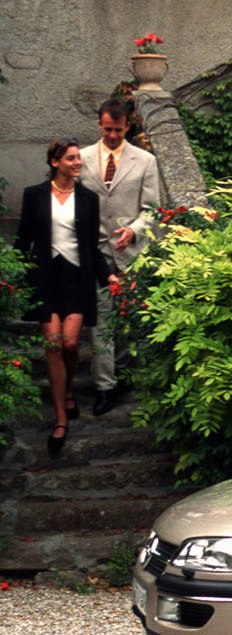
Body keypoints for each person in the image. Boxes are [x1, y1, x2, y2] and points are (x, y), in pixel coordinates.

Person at [16, 139, 116, 453]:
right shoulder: (33, 195)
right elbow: (22, 241)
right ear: (55, 162)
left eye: (78, 158)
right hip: (45, 278)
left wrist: (108, 275)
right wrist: (14, 278)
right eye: (71, 158)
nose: (78, 162)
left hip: (77, 277)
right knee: (53, 345)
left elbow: (91, 246)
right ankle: (61, 417)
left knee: (71, 343)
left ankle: (67, 389)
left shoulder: (88, 198)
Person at [79, 99, 160, 415]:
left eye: (118, 129)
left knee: (129, 320)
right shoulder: (82, 158)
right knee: (99, 321)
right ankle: (104, 387)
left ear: (128, 126)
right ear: (99, 125)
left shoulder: (145, 161)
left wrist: (135, 229)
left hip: (130, 253)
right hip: (95, 252)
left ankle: (125, 374)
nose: (112, 135)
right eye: (107, 129)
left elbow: (152, 208)